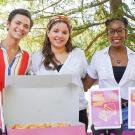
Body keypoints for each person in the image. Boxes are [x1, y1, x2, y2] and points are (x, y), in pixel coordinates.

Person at [29, 15, 88, 131]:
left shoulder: (78, 54)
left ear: (69, 35)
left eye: (64, 32)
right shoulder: (37, 57)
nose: (60, 35)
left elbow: (85, 78)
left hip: (77, 112)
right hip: (47, 114)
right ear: (48, 32)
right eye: (56, 31)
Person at [83, 17, 135, 135]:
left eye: (120, 30)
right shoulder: (98, 57)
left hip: (131, 112)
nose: (115, 34)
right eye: (111, 31)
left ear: (126, 33)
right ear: (107, 34)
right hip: (105, 112)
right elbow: (85, 85)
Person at [0, 8, 33, 91]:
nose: (21, 28)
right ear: (8, 24)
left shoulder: (28, 57)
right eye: (18, 23)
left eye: (26, 26)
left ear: (28, 31)